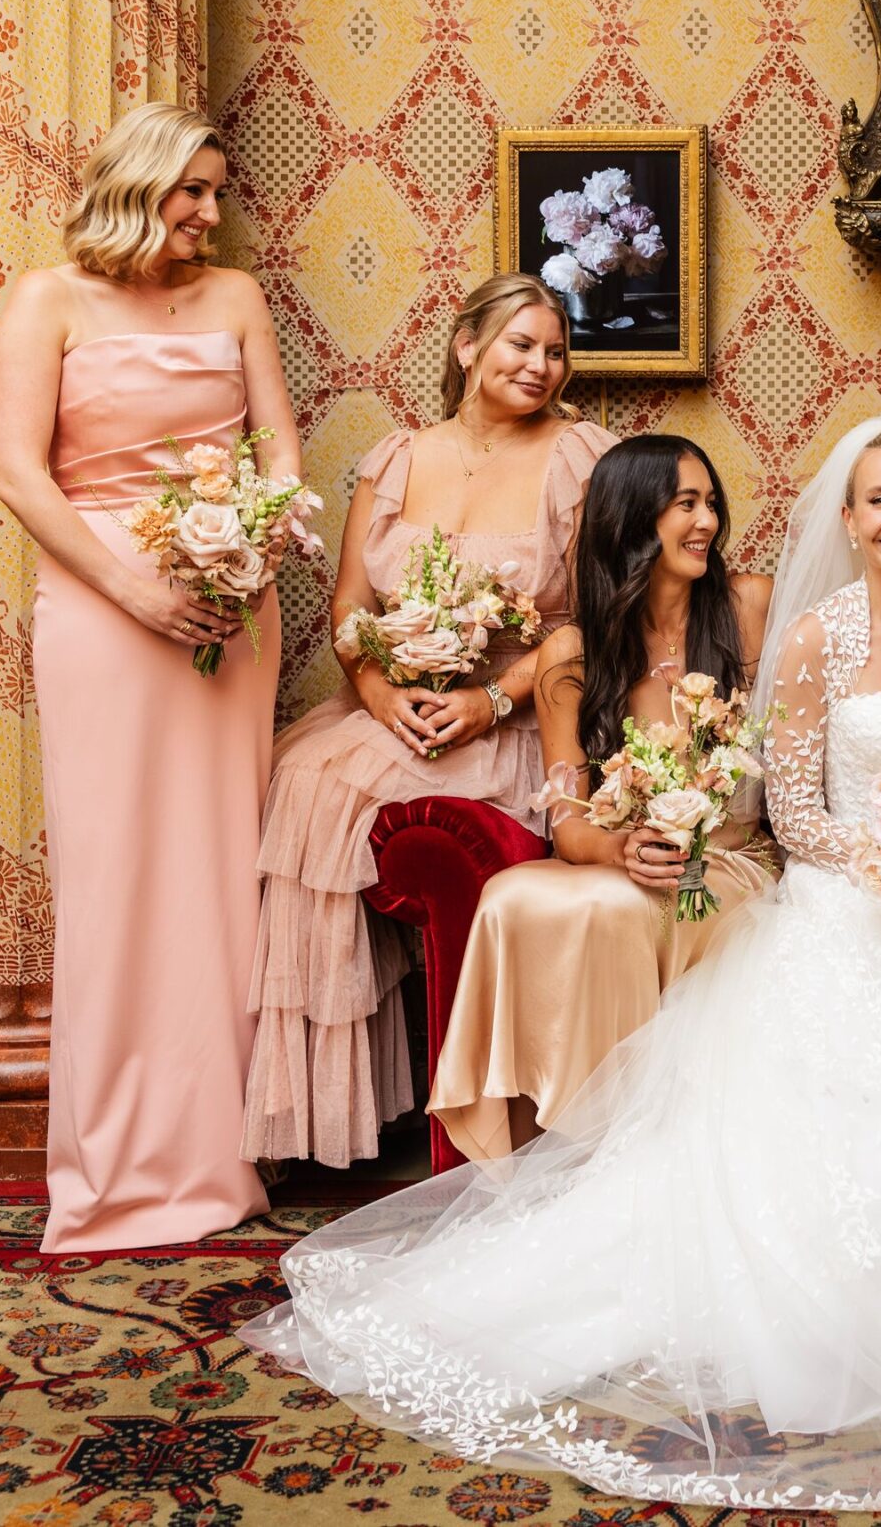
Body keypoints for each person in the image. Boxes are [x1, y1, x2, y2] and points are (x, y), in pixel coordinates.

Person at [239, 417, 881, 1509]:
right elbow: (801, 814)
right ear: (847, 521)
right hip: (857, 891)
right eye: (880, 500)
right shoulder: (813, 636)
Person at [0, 102, 300, 1252]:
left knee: (220, 874)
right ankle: (112, 1171)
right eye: (195, 193)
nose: (213, 215)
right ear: (139, 185)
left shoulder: (235, 298)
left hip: (230, 607)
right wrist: (135, 591)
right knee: (114, 875)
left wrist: (251, 550)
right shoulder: (46, 301)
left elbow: (278, 446)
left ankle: (220, 1158)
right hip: (101, 609)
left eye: (218, 193)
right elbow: (23, 477)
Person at [245, 273, 615, 1169]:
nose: (540, 365)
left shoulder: (583, 458)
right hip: (396, 698)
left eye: (555, 351)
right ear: (466, 347)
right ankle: (324, 1124)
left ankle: (474, 1124)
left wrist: (490, 699)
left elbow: (595, 620)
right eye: (521, 344)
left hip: (521, 715)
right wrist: (379, 693)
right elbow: (347, 608)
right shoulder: (397, 457)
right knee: (306, 780)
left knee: (356, 791)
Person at [429, 435, 776, 1162]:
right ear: (630, 518)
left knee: (615, 909)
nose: (707, 521)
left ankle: (624, 1150)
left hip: (736, 862)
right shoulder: (572, 654)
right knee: (511, 899)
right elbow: (568, 820)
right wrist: (619, 846)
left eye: (710, 502)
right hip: (627, 859)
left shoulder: (748, 608)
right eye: (685, 504)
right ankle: (543, 1152)